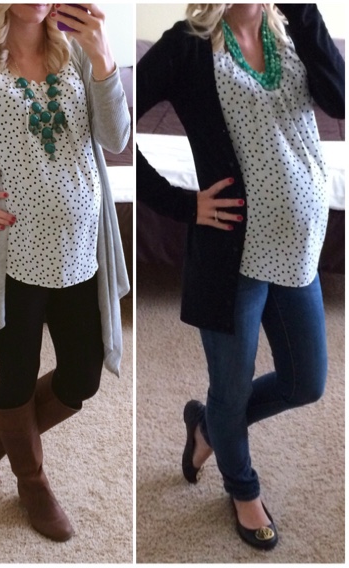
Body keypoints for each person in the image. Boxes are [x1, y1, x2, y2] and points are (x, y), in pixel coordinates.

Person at [137, 3, 344, 550]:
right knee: (230, 387)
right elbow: (108, 121)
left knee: (306, 382)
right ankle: (242, 486)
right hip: (233, 256)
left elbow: (339, 100)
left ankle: (208, 428)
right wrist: (182, 203)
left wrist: (303, 11)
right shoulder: (187, 44)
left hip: (298, 250)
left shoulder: (293, 31)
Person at [0, 3, 130, 541]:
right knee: (13, 378)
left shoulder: (77, 51)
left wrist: (103, 56)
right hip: (12, 256)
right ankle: (33, 482)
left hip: (82, 250)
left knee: (82, 377)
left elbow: (116, 139)